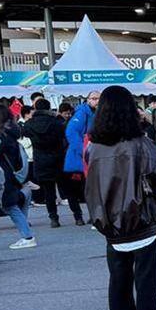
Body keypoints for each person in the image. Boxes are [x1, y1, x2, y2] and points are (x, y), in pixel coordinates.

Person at [84, 86, 156, 310]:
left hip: (111, 226)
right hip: (142, 222)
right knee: (146, 285)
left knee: (119, 286)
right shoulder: (139, 143)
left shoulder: (94, 148)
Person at [0, 103, 35, 249]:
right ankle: (24, 195)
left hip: (3, 176)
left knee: (10, 207)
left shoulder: (0, 137)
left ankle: (27, 236)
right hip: (9, 177)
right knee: (10, 206)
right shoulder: (10, 133)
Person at [23, 98, 69, 228]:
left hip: (41, 159)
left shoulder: (30, 124)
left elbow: (24, 133)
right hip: (58, 158)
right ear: (49, 108)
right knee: (67, 188)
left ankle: (53, 218)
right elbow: (63, 136)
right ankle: (78, 216)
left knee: (49, 192)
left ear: (36, 108)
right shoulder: (57, 122)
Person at [60, 91, 98, 226]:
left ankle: (92, 216)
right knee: (74, 191)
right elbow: (71, 132)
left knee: (90, 190)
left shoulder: (95, 114)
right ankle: (78, 216)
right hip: (78, 159)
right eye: (94, 98)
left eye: (99, 98)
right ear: (87, 100)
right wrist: (83, 150)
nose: (97, 101)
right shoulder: (82, 113)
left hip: (89, 158)